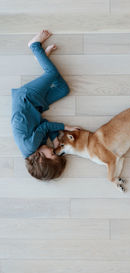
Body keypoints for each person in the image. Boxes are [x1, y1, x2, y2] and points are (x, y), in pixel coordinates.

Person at [11, 30, 79, 180]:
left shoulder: (31, 146)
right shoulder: (35, 149)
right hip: (35, 107)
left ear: (41, 160)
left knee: (51, 74)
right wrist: (55, 139)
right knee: (63, 89)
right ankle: (43, 60)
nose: (52, 150)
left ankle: (34, 46)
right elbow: (44, 123)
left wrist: (65, 127)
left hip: (26, 98)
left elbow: (45, 127)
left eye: (52, 154)